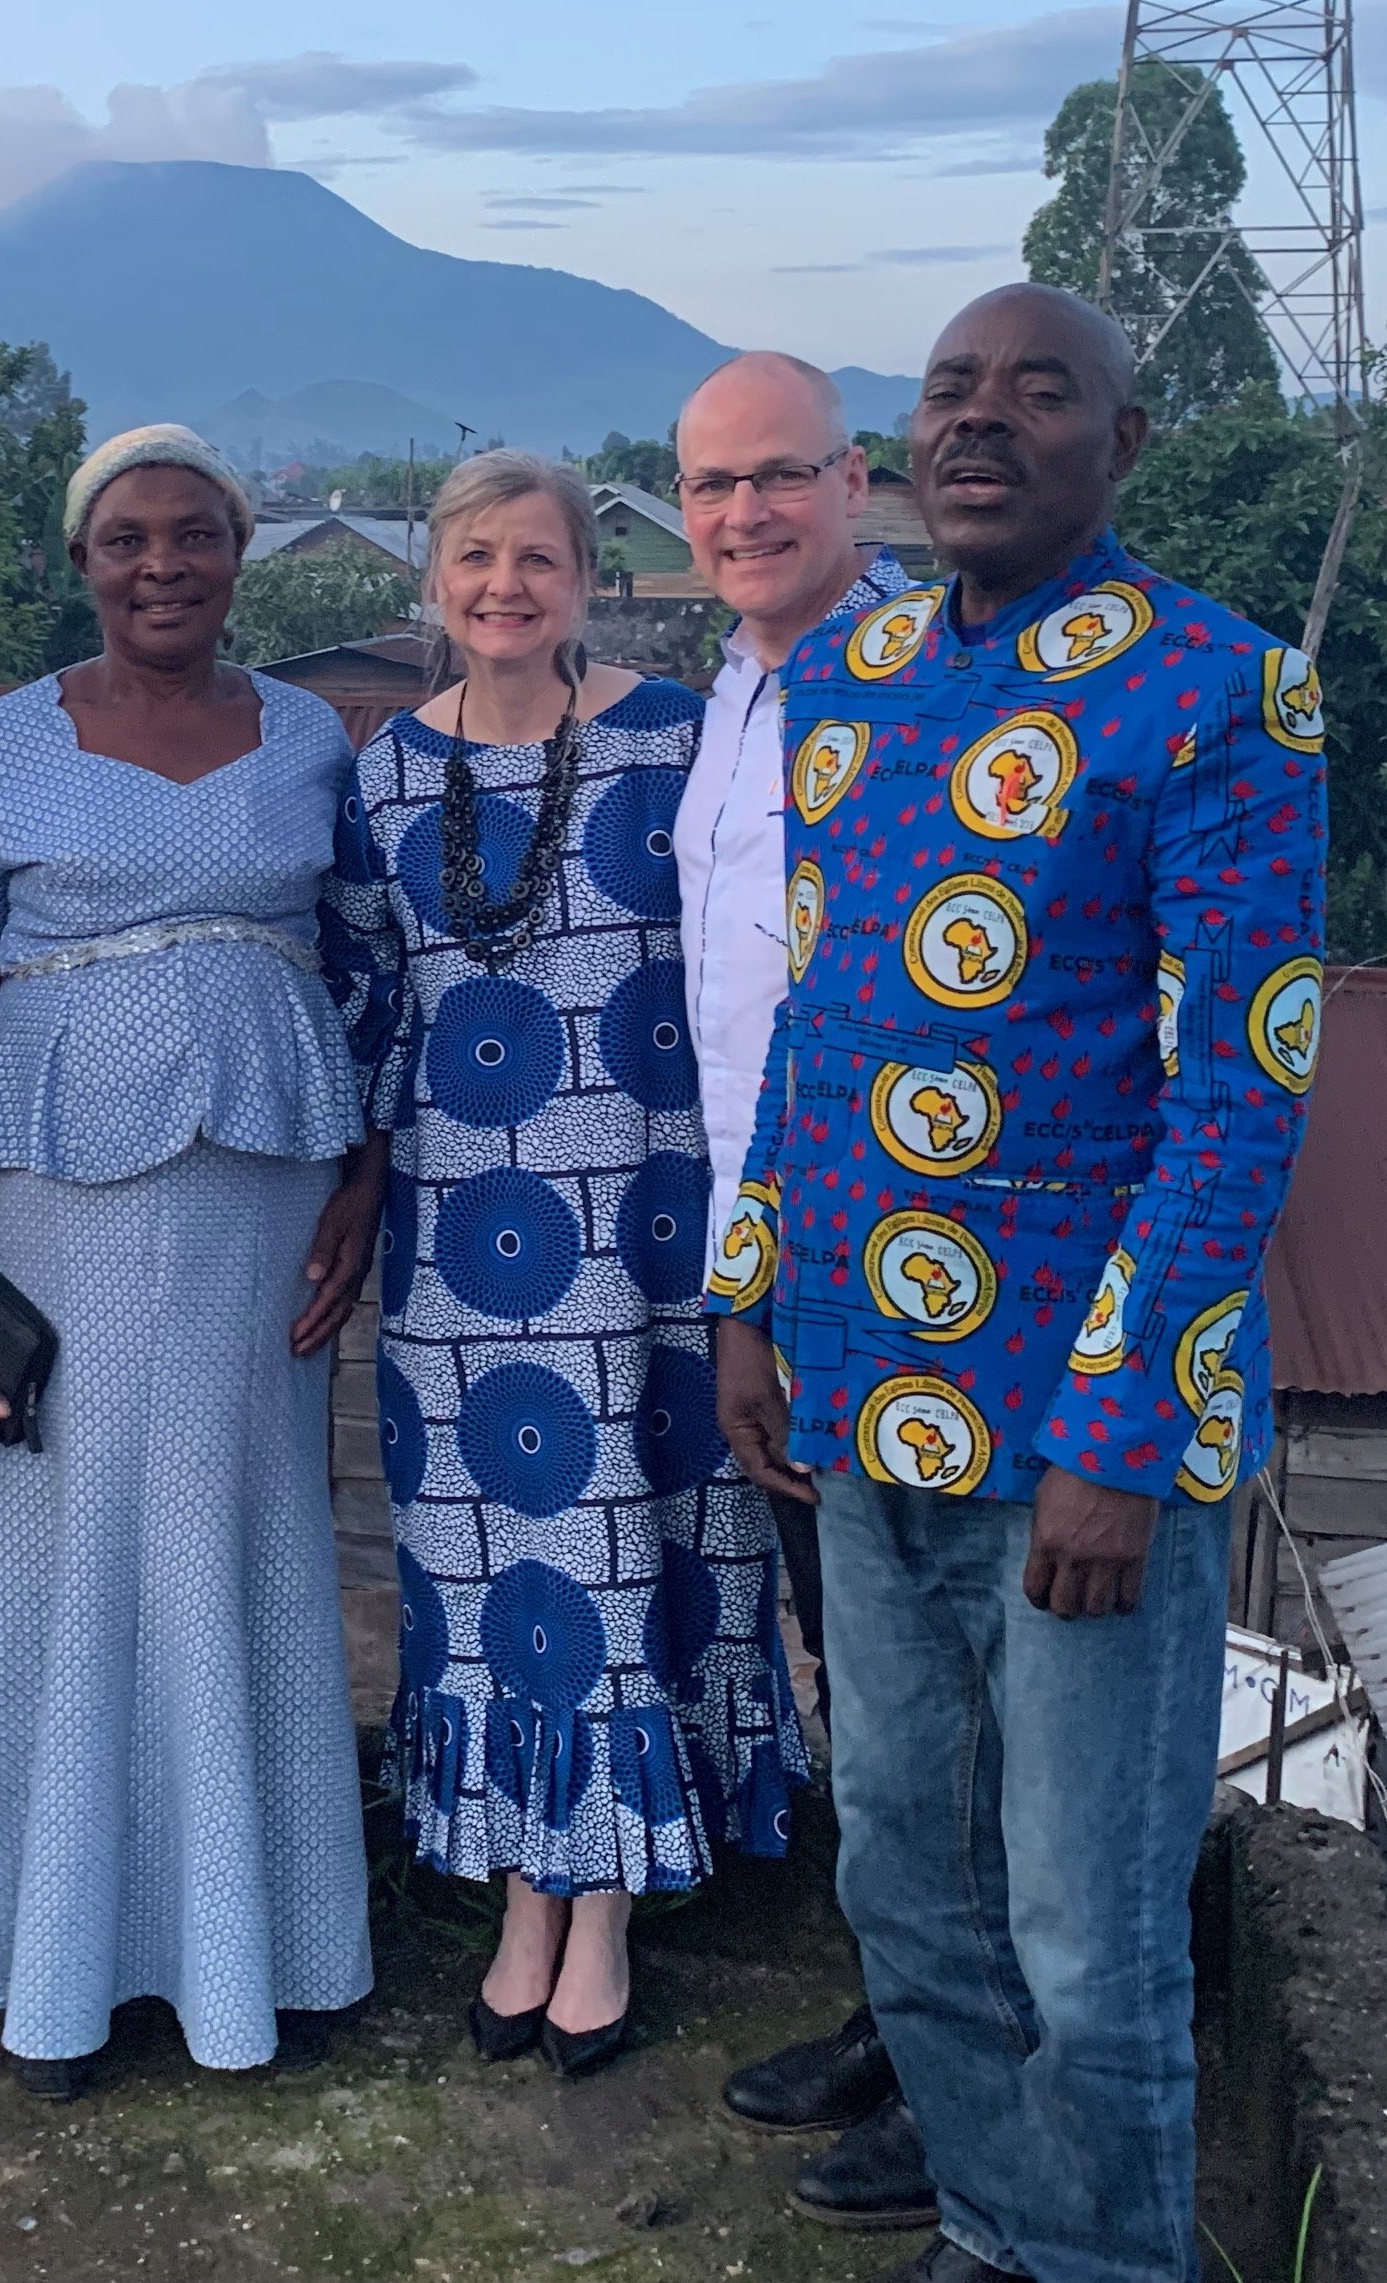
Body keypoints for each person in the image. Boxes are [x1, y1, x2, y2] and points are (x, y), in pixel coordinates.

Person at [707, 283, 1324, 2283]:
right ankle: (1000, 2221)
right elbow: (815, 1020)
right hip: (860, 1383)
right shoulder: (852, 674)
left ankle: (1109, 2258)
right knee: (906, 1877)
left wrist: (1123, 1438)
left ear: (1121, 443)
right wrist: (750, 1295)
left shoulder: (1221, 689)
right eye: (950, 389)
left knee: (1083, 1919)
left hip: (1081, 1429)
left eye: (1038, 391)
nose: (981, 420)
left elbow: (1238, 1092)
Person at [0, 425, 377, 2102]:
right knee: (69, 1537)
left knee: (245, 1522)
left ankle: (266, 1951)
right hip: (51, 1199)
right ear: (80, 561)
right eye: (126, 539)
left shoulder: (311, 737)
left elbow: (370, 971)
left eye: (195, 535)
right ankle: (54, 1965)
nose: (162, 564)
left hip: (266, 1191)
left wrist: (366, 1176)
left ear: (239, 556)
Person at [319, 450, 807, 2081]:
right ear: (432, 580)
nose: (503, 587)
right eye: (475, 558)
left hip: (653, 1228)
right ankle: (524, 1887)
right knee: (488, 1579)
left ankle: (599, 1909)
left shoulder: (676, 740)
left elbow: (753, 966)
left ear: (586, 581)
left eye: (536, 559)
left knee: (627, 1551)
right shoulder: (387, 773)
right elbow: (364, 1004)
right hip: (462, 1248)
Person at [669, 353, 932, 2230]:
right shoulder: (733, 692)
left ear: (855, 483)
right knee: (854, 1664)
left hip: (912, 1264)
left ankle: (973, 2068)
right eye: (710, 486)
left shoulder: (921, 681)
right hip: (766, 1254)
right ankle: (905, 2014)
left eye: (778, 476)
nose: (743, 512)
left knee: (945, 1687)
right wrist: (737, 1294)